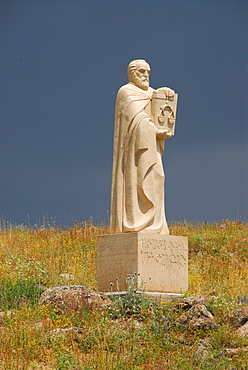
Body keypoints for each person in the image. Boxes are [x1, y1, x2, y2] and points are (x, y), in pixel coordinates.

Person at [110, 59, 175, 235]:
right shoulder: (127, 92)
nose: (146, 76)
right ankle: (138, 224)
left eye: (148, 72)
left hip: (152, 149)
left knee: (158, 177)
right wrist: (154, 131)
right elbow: (136, 120)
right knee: (138, 182)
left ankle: (157, 225)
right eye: (141, 72)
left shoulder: (151, 93)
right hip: (134, 154)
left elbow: (160, 101)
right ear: (132, 74)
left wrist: (166, 92)